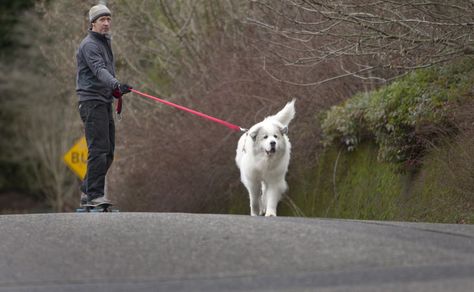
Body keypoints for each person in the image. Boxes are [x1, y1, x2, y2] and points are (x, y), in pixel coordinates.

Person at [76, 4, 132, 207]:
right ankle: (95, 196)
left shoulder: (104, 43)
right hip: (91, 102)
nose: (107, 23)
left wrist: (116, 91)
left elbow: (104, 75)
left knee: (108, 152)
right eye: (102, 20)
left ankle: (87, 190)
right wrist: (115, 84)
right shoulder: (90, 45)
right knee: (98, 149)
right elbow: (99, 71)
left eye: (109, 19)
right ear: (93, 23)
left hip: (103, 101)